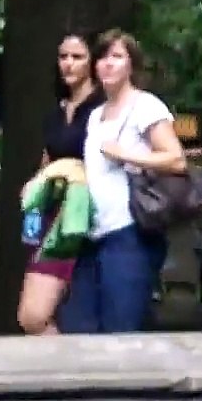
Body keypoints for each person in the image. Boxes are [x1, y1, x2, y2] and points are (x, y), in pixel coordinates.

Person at [57, 30, 186, 334]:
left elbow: (176, 159)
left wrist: (126, 155)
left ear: (131, 65)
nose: (108, 64)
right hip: (92, 233)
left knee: (122, 329)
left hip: (129, 234)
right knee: (79, 327)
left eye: (117, 56)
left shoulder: (146, 106)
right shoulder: (96, 114)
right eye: (103, 57)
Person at [16, 32, 105, 335]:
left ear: (92, 62)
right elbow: (47, 162)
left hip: (89, 218)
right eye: (63, 56)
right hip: (53, 218)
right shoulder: (56, 112)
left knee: (52, 316)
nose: (68, 64)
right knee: (32, 317)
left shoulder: (101, 110)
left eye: (77, 57)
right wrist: (33, 189)